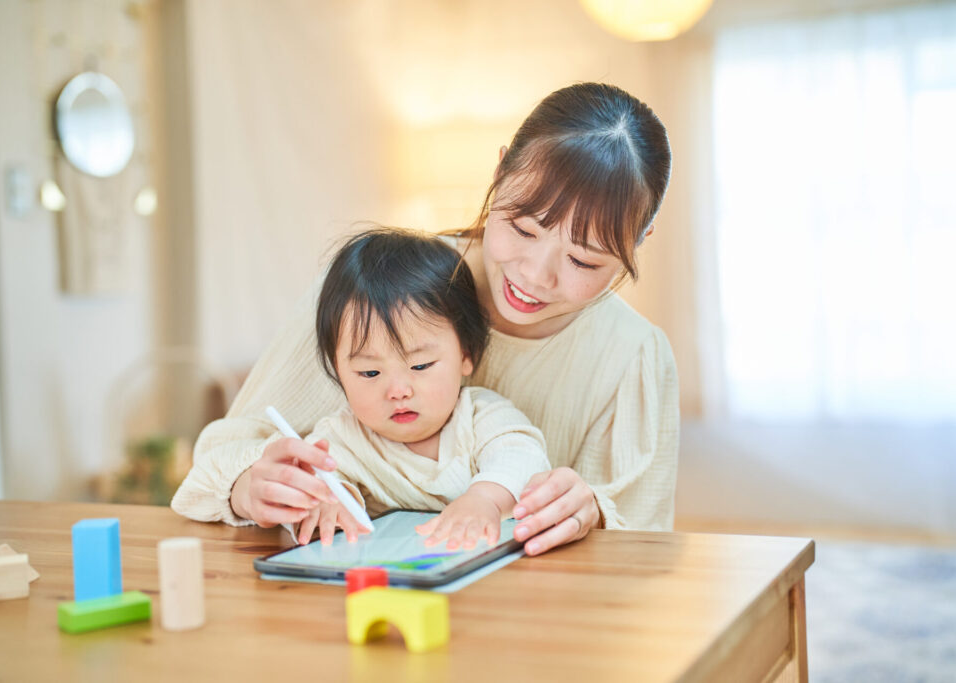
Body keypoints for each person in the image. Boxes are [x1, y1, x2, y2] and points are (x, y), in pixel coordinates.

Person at [171, 82, 678, 556]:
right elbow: (227, 451)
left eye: (583, 261)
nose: (536, 276)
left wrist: (591, 510)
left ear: (638, 242)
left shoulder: (633, 355)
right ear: (500, 173)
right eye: (523, 229)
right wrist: (252, 484)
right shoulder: (371, 292)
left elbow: (642, 550)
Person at [274, 228, 550, 548]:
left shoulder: (480, 417)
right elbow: (312, 483)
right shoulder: (340, 440)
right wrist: (327, 501)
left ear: (466, 355)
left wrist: (485, 499)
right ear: (338, 371)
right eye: (369, 372)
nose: (398, 390)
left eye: (420, 366)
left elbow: (522, 457)